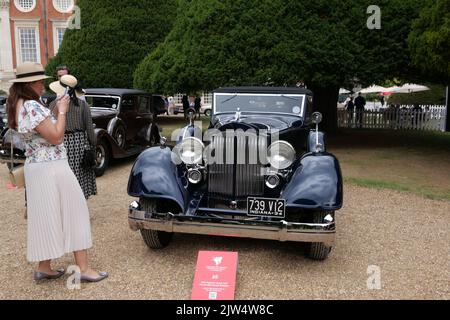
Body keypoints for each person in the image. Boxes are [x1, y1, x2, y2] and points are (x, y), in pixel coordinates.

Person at [7, 62, 107, 282]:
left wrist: (54, 111)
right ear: (29, 84)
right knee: (76, 210)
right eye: (40, 82)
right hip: (51, 166)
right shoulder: (31, 106)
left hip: (37, 166)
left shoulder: (20, 104)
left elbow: (40, 132)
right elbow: (56, 137)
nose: (43, 85)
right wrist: (62, 111)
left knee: (45, 215)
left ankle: (44, 266)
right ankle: (83, 269)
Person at [48, 74, 97, 200]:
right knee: (80, 176)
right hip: (79, 144)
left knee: (64, 177)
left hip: (61, 144)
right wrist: (93, 144)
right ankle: (80, 205)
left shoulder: (53, 105)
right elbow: (89, 128)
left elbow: (50, 127)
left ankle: (66, 205)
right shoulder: (83, 105)